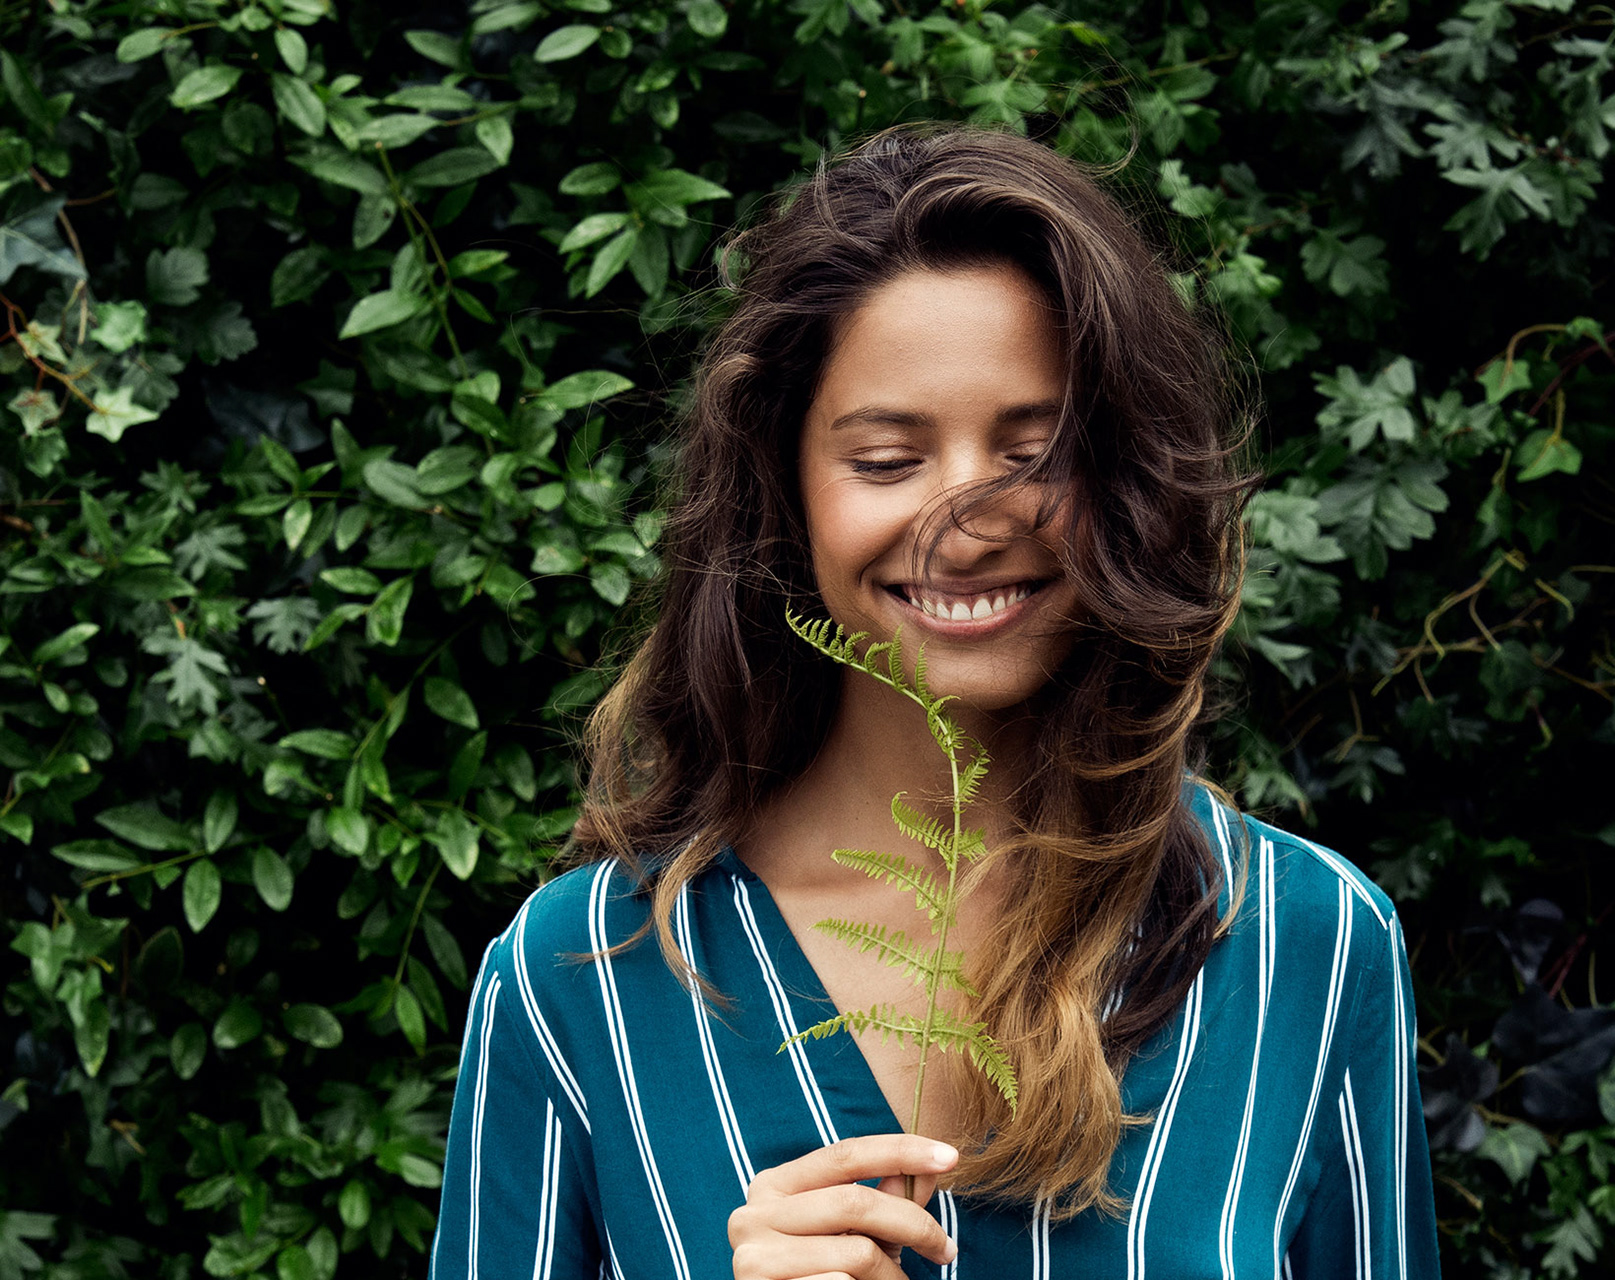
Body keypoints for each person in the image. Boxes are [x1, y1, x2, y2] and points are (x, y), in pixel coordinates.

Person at [428, 124, 1442, 1280]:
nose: (967, 522)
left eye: (1038, 450)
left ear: (1125, 476)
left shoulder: (1308, 943)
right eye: (886, 458)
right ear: (784, 489)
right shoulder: (579, 978)